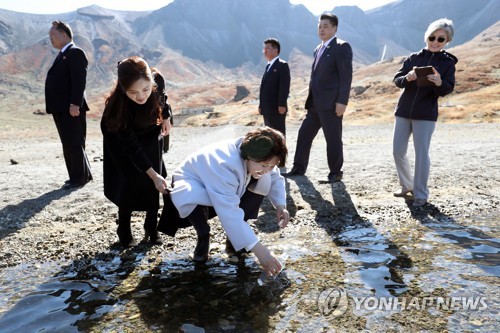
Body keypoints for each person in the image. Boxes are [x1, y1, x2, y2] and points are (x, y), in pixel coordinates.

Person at [168, 127, 289, 277]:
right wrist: (260, 250)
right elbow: (229, 212)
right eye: (264, 165)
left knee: (264, 180)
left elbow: (275, 176)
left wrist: (280, 205)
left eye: (272, 165)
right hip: (194, 182)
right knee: (201, 214)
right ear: (248, 155)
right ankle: (203, 235)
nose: (268, 169)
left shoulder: (263, 159)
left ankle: (235, 241)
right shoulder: (225, 164)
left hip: (221, 187)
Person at [101, 56, 172, 247]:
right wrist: (152, 174)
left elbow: (163, 98)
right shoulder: (118, 108)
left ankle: (151, 226)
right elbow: (131, 147)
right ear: (124, 89)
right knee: (129, 179)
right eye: (133, 92)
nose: (141, 96)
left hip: (149, 133)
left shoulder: (157, 81)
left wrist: (166, 116)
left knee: (154, 181)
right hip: (121, 140)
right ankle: (123, 227)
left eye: (146, 89)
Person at [392, 18, 457, 207]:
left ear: (447, 41)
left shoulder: (447, 63)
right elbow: (397, 80)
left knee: (421, 154)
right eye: (432, 37)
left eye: (441, 39)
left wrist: (439, 83)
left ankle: (420, 194)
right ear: (426, 37)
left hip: (426, 113)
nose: (435, 42)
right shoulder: (413, 58)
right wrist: (408, 77)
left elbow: (448, 88)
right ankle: (407, 186)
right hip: (404, 111)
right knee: (397, 151)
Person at [283, 12, 353, 183]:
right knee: (304, 134)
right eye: (319, 26)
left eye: (326, 26)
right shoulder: (318, 49)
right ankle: (298, 168)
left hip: (331, 104)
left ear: (334, 28)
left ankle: (335, 172)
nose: (321, 29)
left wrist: (342, 101)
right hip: (314, 104)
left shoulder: (342, 47)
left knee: (333, 139)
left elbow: (346, 76)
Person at [45, 21, 92, 189]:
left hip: (70, 108)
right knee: (69, 142)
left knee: (74, 142)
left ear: (64, 35)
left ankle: (78, 178)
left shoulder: (75, 52)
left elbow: (79, 80)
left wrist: (75, 104)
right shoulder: (62, 54)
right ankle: (79, 176)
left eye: (53, 35)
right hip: (61, 108)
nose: (50, 38)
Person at [258, 38, 291, 136]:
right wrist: (261, 105)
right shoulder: (268, 66)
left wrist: (282, 104)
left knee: (278, 135)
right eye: (264, 49)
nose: (265, 51)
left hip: (277, 108)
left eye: (267, 48)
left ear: (276, 50)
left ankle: (281, 152)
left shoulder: (282, 65)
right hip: (267, 108)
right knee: (270, 135)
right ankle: (273, 152)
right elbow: (264, 88)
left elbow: (284, 86)